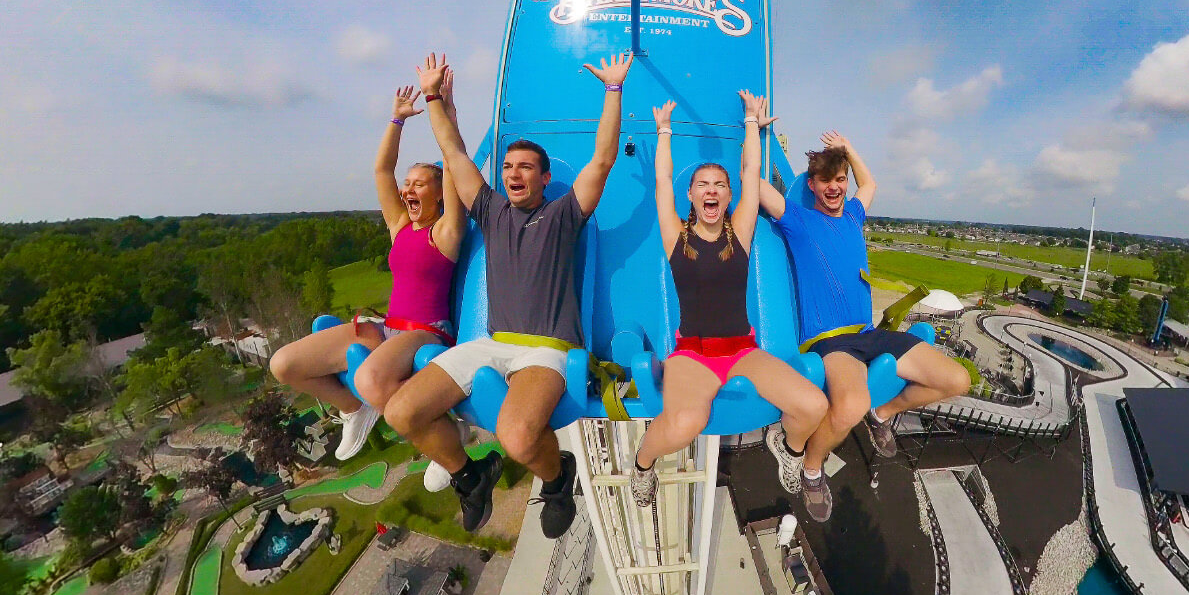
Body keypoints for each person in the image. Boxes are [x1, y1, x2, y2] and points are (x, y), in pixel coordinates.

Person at [383, 50, 631, 537]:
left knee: (519, 439)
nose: (515, 173)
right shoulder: (491, 213)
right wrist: (432, 95)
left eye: (526, 168)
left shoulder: (564, 215)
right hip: (493, 341)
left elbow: (602, 161)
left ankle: (557, 478)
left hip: (546, 349)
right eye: (509, 167)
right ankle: (469, 475)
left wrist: (613, 90)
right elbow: (453, 155)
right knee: (401, 412)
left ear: (543, 178)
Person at [757, 132, 971, 522]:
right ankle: (811, 470)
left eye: (841, 179)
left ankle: (883, 413)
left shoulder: (854, 215)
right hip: (831, 340)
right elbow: (754, 186)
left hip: (868, 332)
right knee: (850, 404)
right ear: (813, 186)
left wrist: (850, 149)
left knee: (956, 380)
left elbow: (870, 184)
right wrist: (752, 129)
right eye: (827, 181)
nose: (835, 187)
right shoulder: (799, 220)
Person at [629, 92, 829, 507]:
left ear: (728, 196)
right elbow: (663, 181)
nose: (712, 190)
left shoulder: (739, 234)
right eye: (702, 185)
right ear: (691, 195)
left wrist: (752, 124)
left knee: (813, 405)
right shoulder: (675, 238)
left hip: (742, 350)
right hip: (694, 354)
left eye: (720, 185)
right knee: (686, 423)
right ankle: (644, 463)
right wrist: (664, 131)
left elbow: (751, 169)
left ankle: (787, 449)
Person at [268, 85, 465, 461]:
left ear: (439, 194)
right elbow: (381, 169)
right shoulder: (399, 226)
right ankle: (354, 408)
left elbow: (453, 161)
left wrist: (445, 113)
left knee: (369, 378)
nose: (408, 189)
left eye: (419, 183)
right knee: (284, 365)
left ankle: (443, 437)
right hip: (387, 328)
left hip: (427, 332)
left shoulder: (446, 232)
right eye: (407, 184)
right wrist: (396, 118)